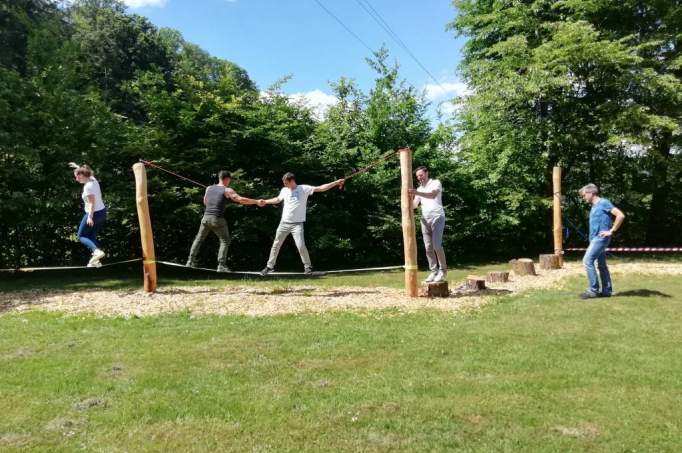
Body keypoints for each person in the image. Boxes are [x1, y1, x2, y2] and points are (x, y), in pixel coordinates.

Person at [259, 172, 344, 275]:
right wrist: (266, 202)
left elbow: (321, 188)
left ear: (292, 181)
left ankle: (308, 268)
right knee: (276, 244)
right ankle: (269, 267)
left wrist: (335, 182)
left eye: (286, 183)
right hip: (284, 223)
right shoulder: (284, 190)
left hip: (297, 224)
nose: (284, 185)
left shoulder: (303, 189)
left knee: (300, 246)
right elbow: (277, 199)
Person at [186, 170, 262, 272]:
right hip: (217, 219)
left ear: (219, 177)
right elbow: (241, 200)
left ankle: (190, 262)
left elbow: (205, 202)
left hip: (205, 218)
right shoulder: (227, 190)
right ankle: (221, 265)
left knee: (199, 239)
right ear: (227, 179)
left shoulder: (208, 188)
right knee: (225, 240)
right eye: (229, 179)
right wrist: (256, 201)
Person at [578, 183, 625, 299]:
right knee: (602, 265)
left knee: (587, 261)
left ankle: (593, 290)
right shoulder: (594, 206)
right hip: (594, 239)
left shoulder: (603, 202)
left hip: (600, 239)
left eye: (584, 195)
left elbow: (620, 215)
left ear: (590, 193)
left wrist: (611, 230)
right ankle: (607, 291)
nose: (583, 198)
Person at [409, 166, 447, 282]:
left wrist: (416, 192)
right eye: (418, 176)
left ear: (426, 173)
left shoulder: (435, 183)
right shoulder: (420, 188)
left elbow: (432, 195)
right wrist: (409, 197)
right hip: (425, 220)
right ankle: (433, 271)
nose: (420, 178)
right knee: (428, 247)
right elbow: (415, 205)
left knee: (436, 245)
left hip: (437, 217)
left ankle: (443, 271)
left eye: (421, 175)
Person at [70, 162, 107, 267]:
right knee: (91, 236)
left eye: (77, 176)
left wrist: (90, 217)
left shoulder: (88, 187)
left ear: (82, 175)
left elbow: (92, 203)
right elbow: (88, 171)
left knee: (81, 236)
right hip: (102, 213)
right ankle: (96, 260)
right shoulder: (93, 179)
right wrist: (77, 167)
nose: (76, 179)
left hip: (94, 213)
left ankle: (97, 252)